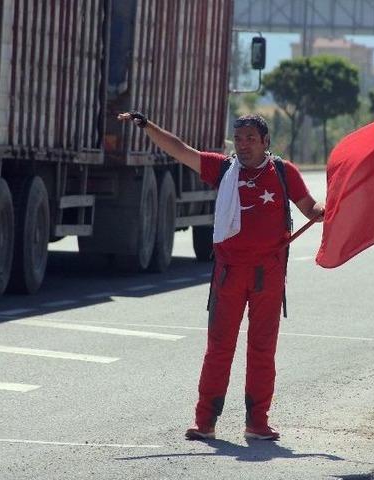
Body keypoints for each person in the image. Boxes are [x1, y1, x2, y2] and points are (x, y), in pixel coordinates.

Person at [118, 111, 325, 441]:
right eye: (239, 139)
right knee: (219, 348)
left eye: (251, 140)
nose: (243, 146)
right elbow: (181, 150)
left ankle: (258, 422)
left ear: (265, 142)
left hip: (267, 276)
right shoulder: (224, 169)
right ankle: (205, 422)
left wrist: (326, 211)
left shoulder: (284, 173)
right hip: (228, 274)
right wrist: (148, 126)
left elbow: (310, 208)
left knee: (262, 349)